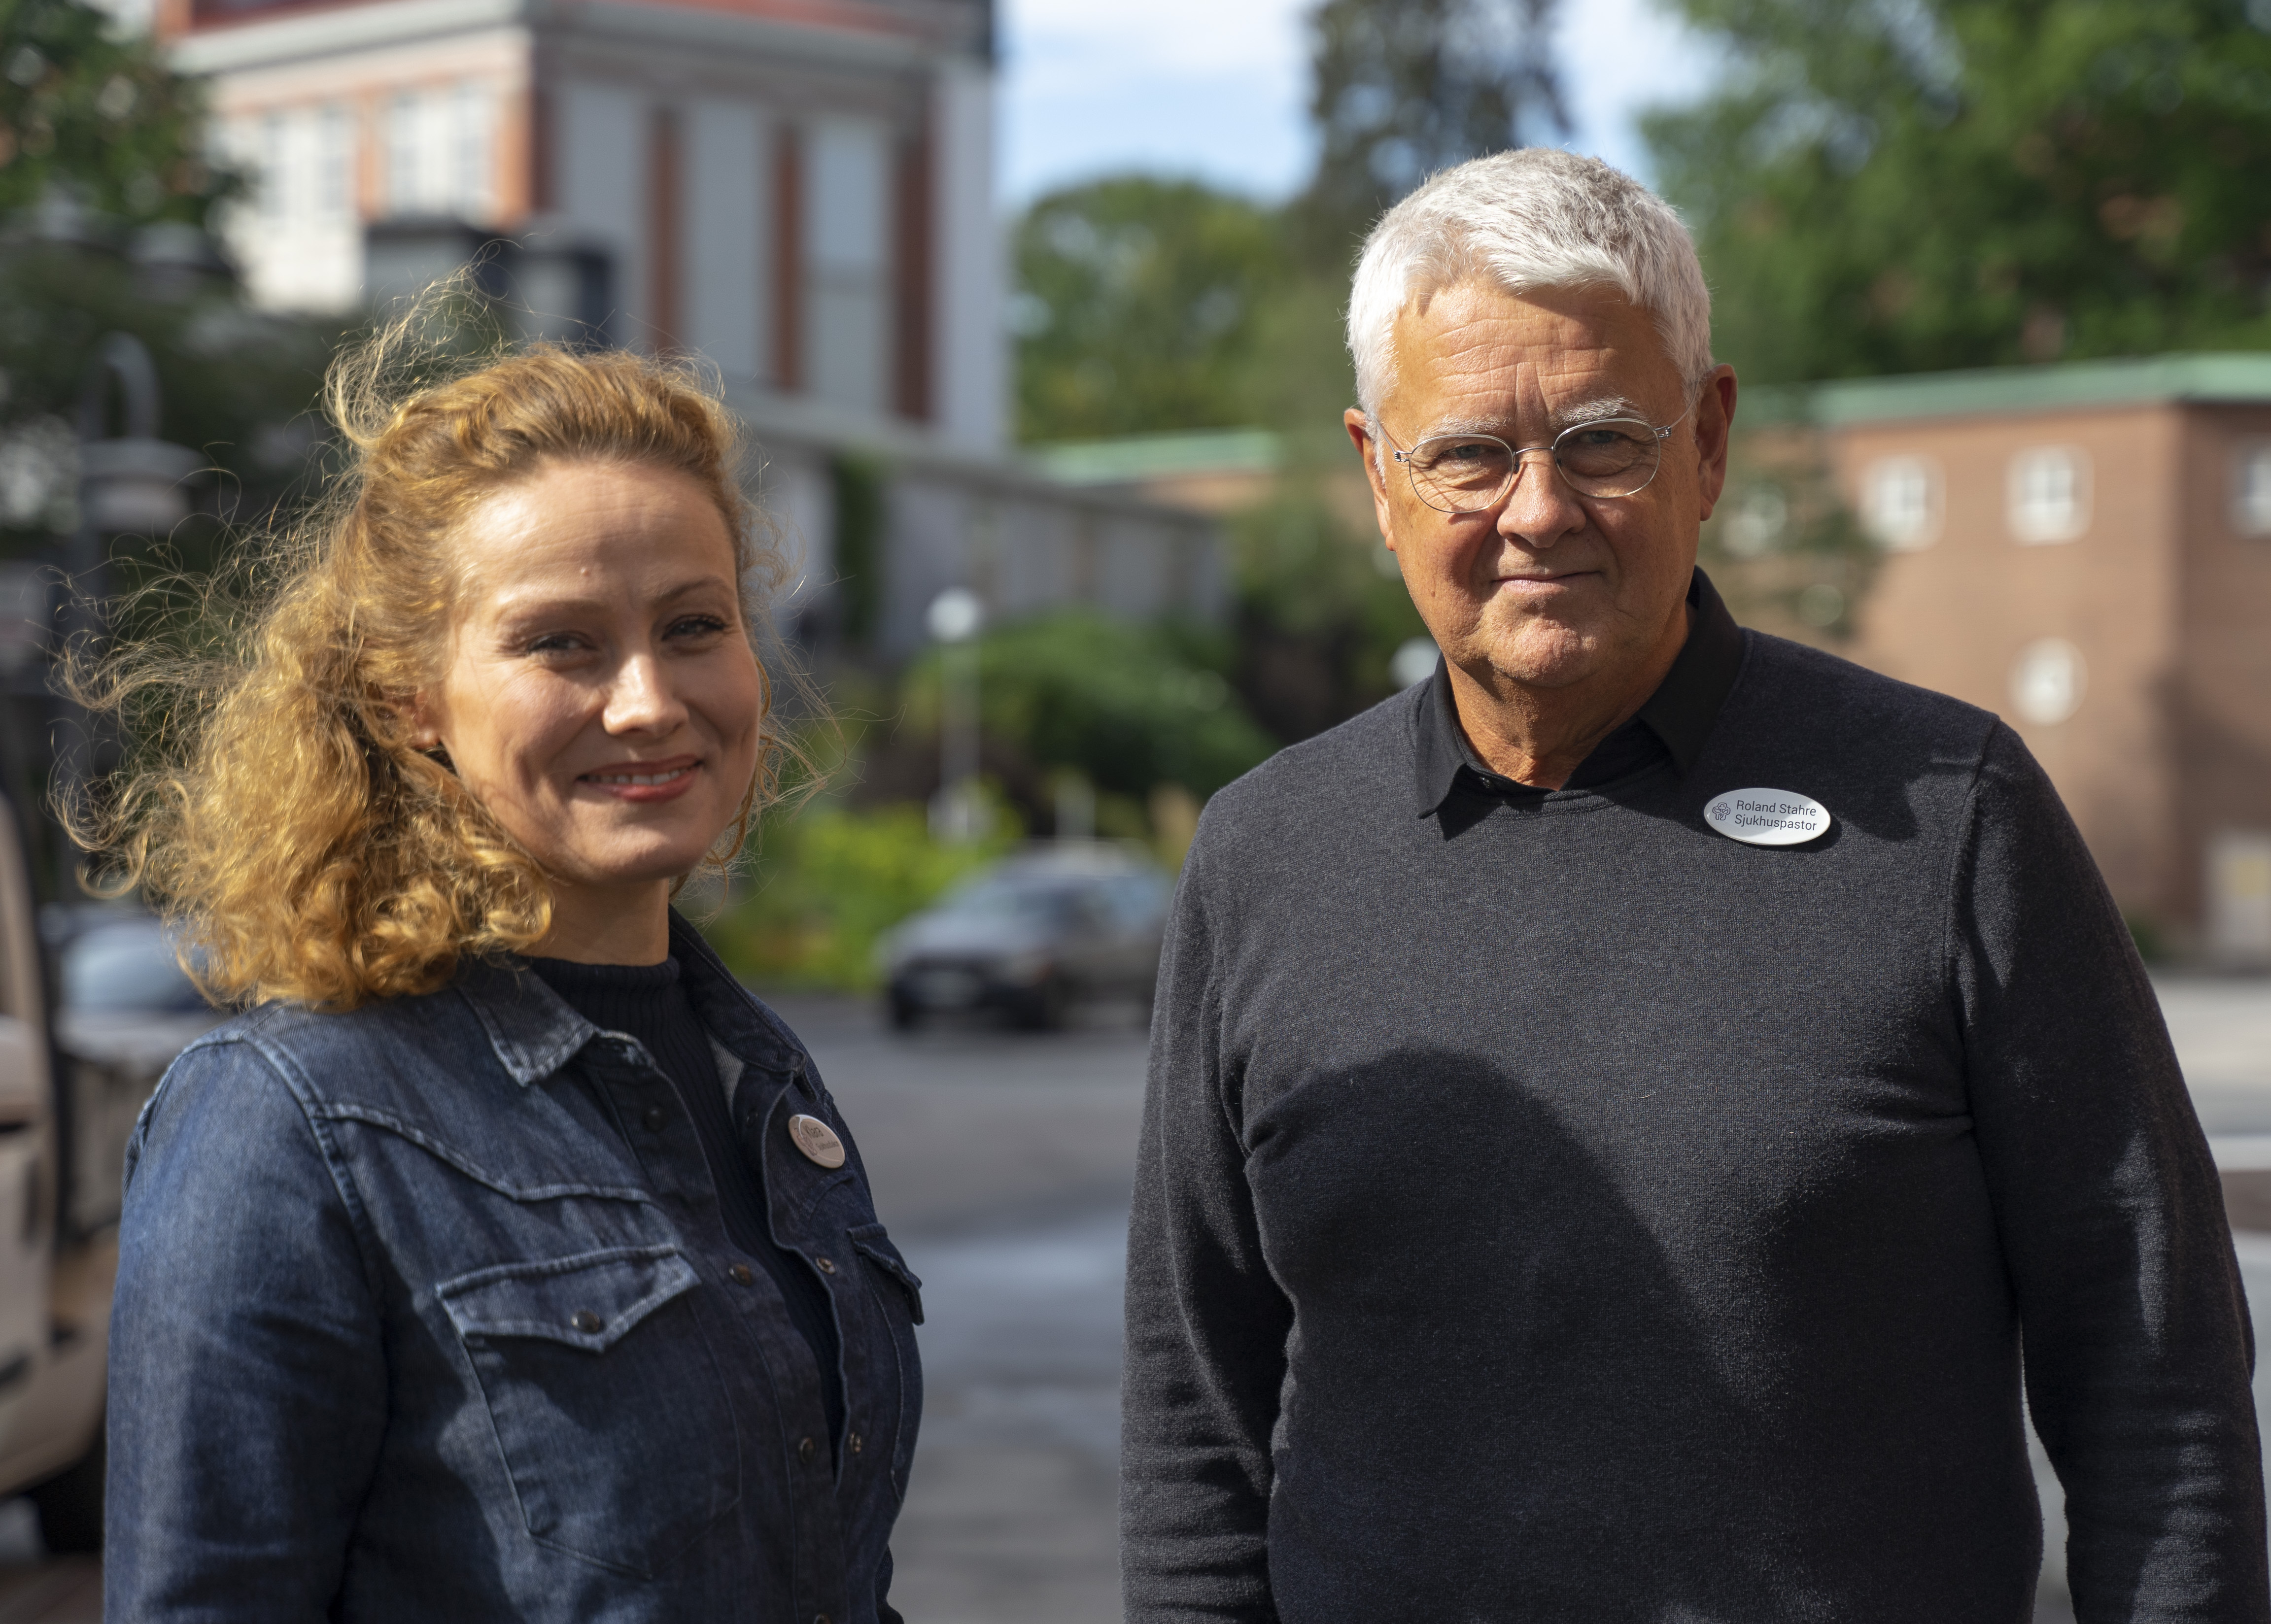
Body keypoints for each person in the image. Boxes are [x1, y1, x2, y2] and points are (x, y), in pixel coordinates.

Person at [1121, 148, 2269, 1622]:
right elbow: (1194, 1426)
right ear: (1378, 480)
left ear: (1710, 441)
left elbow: (2157, 1376)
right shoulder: (1266, 856)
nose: (1538, 511)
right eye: (1468, 455)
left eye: (1604, 441)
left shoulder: (1951, 820)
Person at [83, 334, 922, 1621]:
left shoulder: (759, 1078)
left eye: (695, 626)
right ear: (410, 699)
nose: (648, 702)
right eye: (561, 644)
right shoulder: (290, 1125)